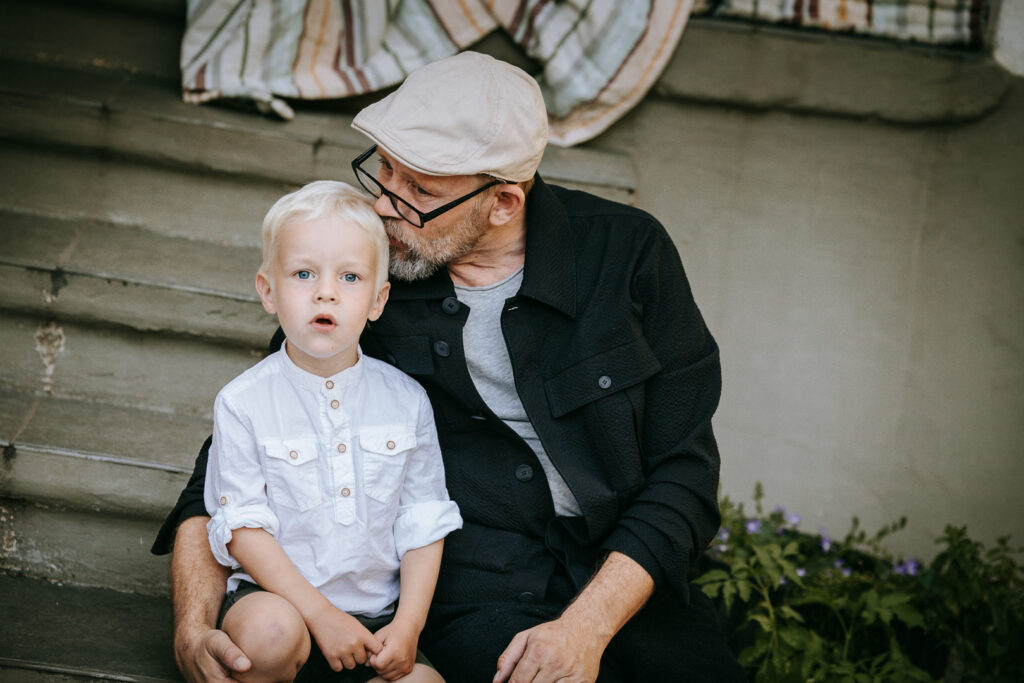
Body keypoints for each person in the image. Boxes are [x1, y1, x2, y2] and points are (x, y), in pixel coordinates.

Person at [153, 52, 746, 682]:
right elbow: (223, 474)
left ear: (502, 203)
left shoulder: (627, 254)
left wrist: (586, 626)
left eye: (420, 191)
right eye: (383, 171)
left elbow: (683, 474)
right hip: (477, 590)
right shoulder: (365, 282)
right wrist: (193, 627)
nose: (383, 206)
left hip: (627, 582)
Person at [199, 180, 462, 683]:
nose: (325, 291)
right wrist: (320, 615)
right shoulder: (243, 401)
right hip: (278, 604)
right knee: (269, 635)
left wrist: (407, 626)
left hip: (376, 619)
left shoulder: (405, 400)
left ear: (378, 299)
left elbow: (423, 522)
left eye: (349, 276)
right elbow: (244, 530)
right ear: (268, 291)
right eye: (303, 273)